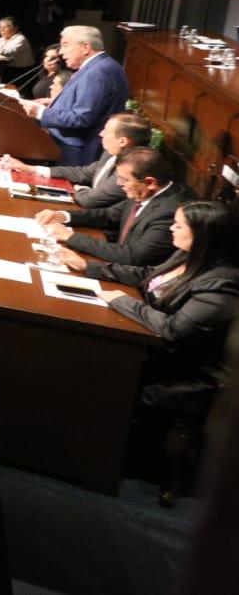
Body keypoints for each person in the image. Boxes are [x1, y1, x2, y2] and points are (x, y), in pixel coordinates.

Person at [75, 200, 239, 502]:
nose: (171, 228)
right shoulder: (186, 254)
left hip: (190, 375)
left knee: (102, 367)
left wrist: (122, 302)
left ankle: (97, 458)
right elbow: (148, 277)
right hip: (160, 351)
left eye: (180, 225)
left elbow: (174, 329)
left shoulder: (221, 287)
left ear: (203, 235)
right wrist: (89, 267)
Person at [38, 147, 192, 267]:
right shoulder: (142, 191)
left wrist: (70, 236)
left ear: (150, 182)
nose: (119, 184)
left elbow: (133, 256)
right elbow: (108, 215)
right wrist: (63, 216)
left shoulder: (172, 211)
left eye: (124, 179)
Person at [19, 25, 131, 165]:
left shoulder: (96, 72)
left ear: (85, 47)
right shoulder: (101, 65)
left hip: (77, 152)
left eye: (65, 45)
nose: (61, 52)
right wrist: (54, 103)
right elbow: (88, 104)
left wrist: (41, 113)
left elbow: (82, 118)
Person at [0, 111, 151, 210]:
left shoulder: (133, 170)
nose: (101, 134)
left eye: (106, 131)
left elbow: (90, 200)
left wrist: (83, 190)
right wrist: (30, 169)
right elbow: (83, 173)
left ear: (123, 141)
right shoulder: (110, 154)